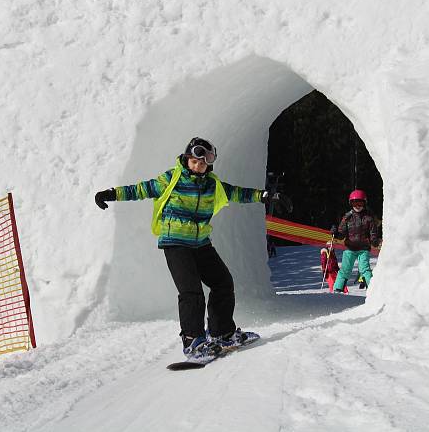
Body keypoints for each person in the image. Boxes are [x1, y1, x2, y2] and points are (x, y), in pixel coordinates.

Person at [94, 137, 292, 359]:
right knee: (191, 292)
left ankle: (221, 333)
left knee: (223, 283)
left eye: (204, 163)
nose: (199, 166)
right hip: (175, 243)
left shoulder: (211, 185)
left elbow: (235, 192)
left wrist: (265, 196)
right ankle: (193, 341)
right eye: (195, 161)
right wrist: (110, 194)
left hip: (201, 243)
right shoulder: (172, 179)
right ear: (187, 159)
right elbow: (141, 189)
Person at [329, 189, 379, 293]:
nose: (357, 205)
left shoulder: (368, 218)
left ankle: (372, 290)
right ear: (351, 203)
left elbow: (373, 233)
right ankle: (337, 289)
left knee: (364, 269)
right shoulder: (347, 217)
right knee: (345, 270)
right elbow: (341, 234)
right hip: (350, 249)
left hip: (363, 249)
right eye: (354, 203)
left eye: (360, 202)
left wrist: (375, 241)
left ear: (364, 203)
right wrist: (335, 233)